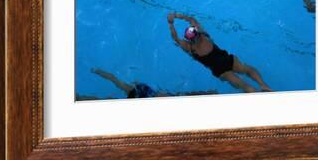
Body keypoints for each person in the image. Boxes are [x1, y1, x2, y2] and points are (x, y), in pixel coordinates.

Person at [167, 13, 272, 93]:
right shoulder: (203, 34)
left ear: (188, 39)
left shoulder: (189, 48)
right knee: (246, 69)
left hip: (220, 70)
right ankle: (264, 85)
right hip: (226, 58)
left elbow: (175, 38)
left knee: (243, 85)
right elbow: (191, 19)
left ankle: (257, 95)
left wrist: (171, 24)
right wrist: (176, 15)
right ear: (196, 32)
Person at [78, 68, 217, 99]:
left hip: (143, 91)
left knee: (115, 83)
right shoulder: (174, 96)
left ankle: (96, 71)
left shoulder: (172, 95)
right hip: (143, 93)